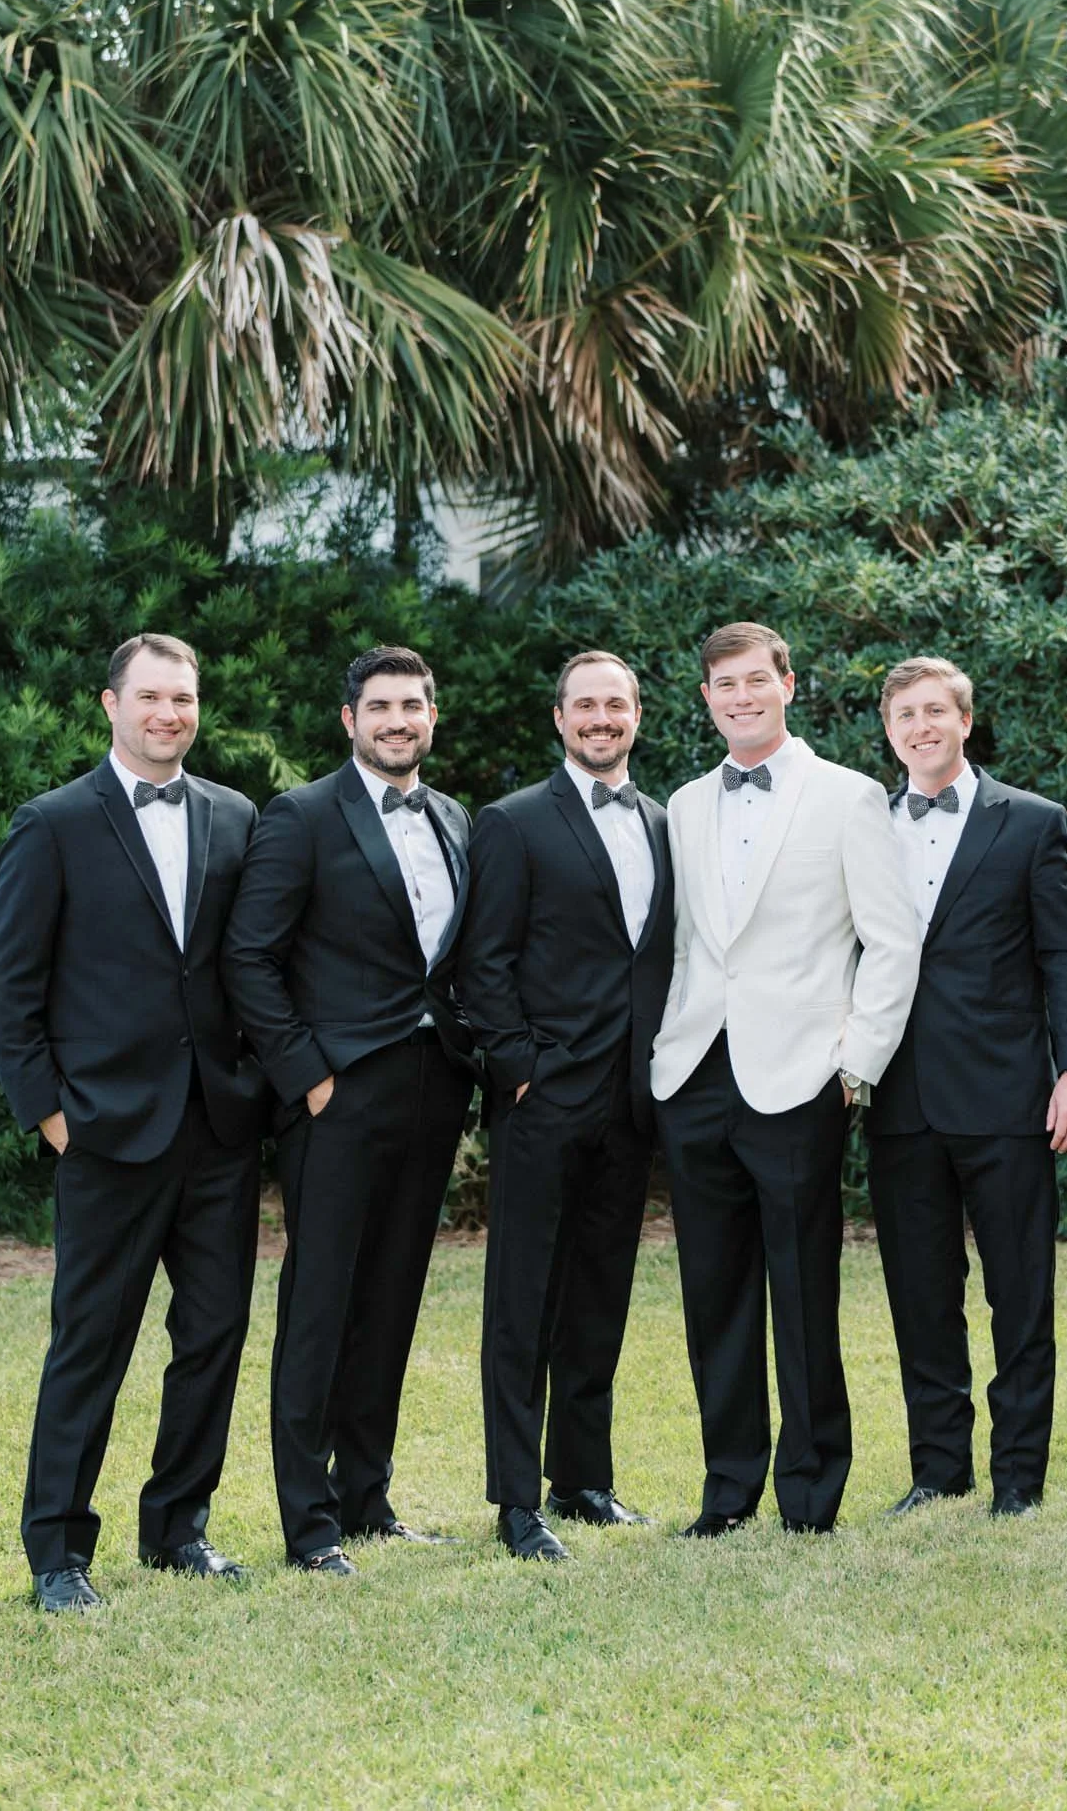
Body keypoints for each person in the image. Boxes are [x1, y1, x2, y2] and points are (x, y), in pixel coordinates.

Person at [0, 633, 264, 1612]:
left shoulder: (235, 817)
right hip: (103, 1132)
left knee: (214, 1332)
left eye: (182, 697)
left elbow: (245, 965)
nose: (168, 713)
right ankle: (58, 1551)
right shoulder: (54, 823)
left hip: (218, 1132)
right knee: (90, 1342)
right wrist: (50, 1117)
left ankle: (178, 1524)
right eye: (149, 697)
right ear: (110, 704)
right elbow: (7, 983)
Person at [648, 621, 920, 1536]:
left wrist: (857, 1064)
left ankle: (809, 1494)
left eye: (756, 680)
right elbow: (687, 944)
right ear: (706, 699)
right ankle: (726, 1494)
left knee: (803, 1294)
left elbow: (892, 939)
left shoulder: (848, 798)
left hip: (802, 1078)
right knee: (713, 1295)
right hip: (695, 1074)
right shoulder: (683, 804)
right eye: (723, 684)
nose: (741, 697)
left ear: (789, 686)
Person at [220, 645, 478, 1575]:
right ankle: (310, 1522)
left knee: (392, 1298)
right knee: (321, 1303)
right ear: (349, 720)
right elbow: (249, 957)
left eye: (413, 704)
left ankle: (368, 1498)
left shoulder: (453, 818)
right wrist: (308, 1077)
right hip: (337, 1093)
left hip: (432, 1087)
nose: (397, 719)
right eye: (380, 706)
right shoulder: (302, 816)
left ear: (431, 717)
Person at [867, 656, 1067, 1520]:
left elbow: (1065, 956)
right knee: (921, 1293)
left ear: (966, 720)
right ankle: (938, 1470)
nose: (920, 727)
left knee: (1018, 1293)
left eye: (935, 711)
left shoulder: (1032, 823)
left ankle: (1018, 1480)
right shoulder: (864, 821)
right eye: (904, 716)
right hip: (896, 1098)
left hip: (1007, 1096)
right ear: (889, 731)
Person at [458, 651, 674, 1561]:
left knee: (599, 1295)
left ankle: (583, 1478)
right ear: (558, 719)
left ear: (637, 715)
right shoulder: (511, 824)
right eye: (585, 705)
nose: (600, 719)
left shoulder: (668, 823)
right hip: (543, 1100)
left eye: (615, 704)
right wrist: (518, 1067)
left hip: (633, 1101)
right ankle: (516, 1502)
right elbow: (484, 959)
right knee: (523, 1303)